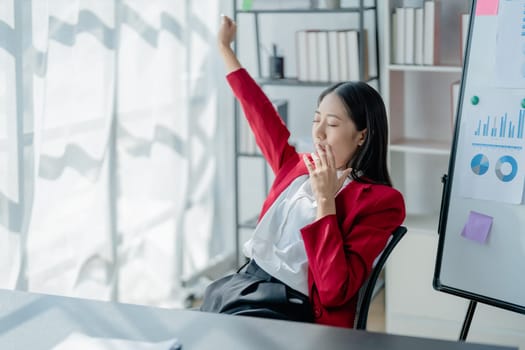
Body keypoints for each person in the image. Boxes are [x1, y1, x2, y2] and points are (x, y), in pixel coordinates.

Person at [200, 15, 406, 329]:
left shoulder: (380, 201)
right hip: (242, 287)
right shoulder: (297, 166)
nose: (320, 132)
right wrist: (224, 48)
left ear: (362, 134)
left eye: (333, 124)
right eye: (316, 119)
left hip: (290, 308)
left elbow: (335, 290)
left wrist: (326, 202)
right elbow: (258, 111)